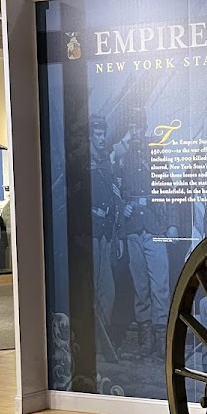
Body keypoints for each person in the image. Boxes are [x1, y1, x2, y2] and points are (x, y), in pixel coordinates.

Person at [112, 107, 175, 357]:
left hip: (154, 224)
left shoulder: (155, 152)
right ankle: (145, 334)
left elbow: (167, 187)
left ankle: (161, 335)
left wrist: (172, 224)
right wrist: (122, 206)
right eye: (132, 127)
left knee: (160, 283)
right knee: (140, 285)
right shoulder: (121, 156)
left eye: (139, 127)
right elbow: (113, 190)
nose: (136, 132)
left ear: (144, 127)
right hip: (133, 228)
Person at [89, 113, 117, 341]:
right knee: (94, 287)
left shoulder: (106, 160)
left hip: (106, 233)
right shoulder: (81, 163)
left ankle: (103, 336)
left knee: (107, 288)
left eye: (103, 134)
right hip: (90, 233)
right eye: (97, 134)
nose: (101, 138)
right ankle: (95, 340)